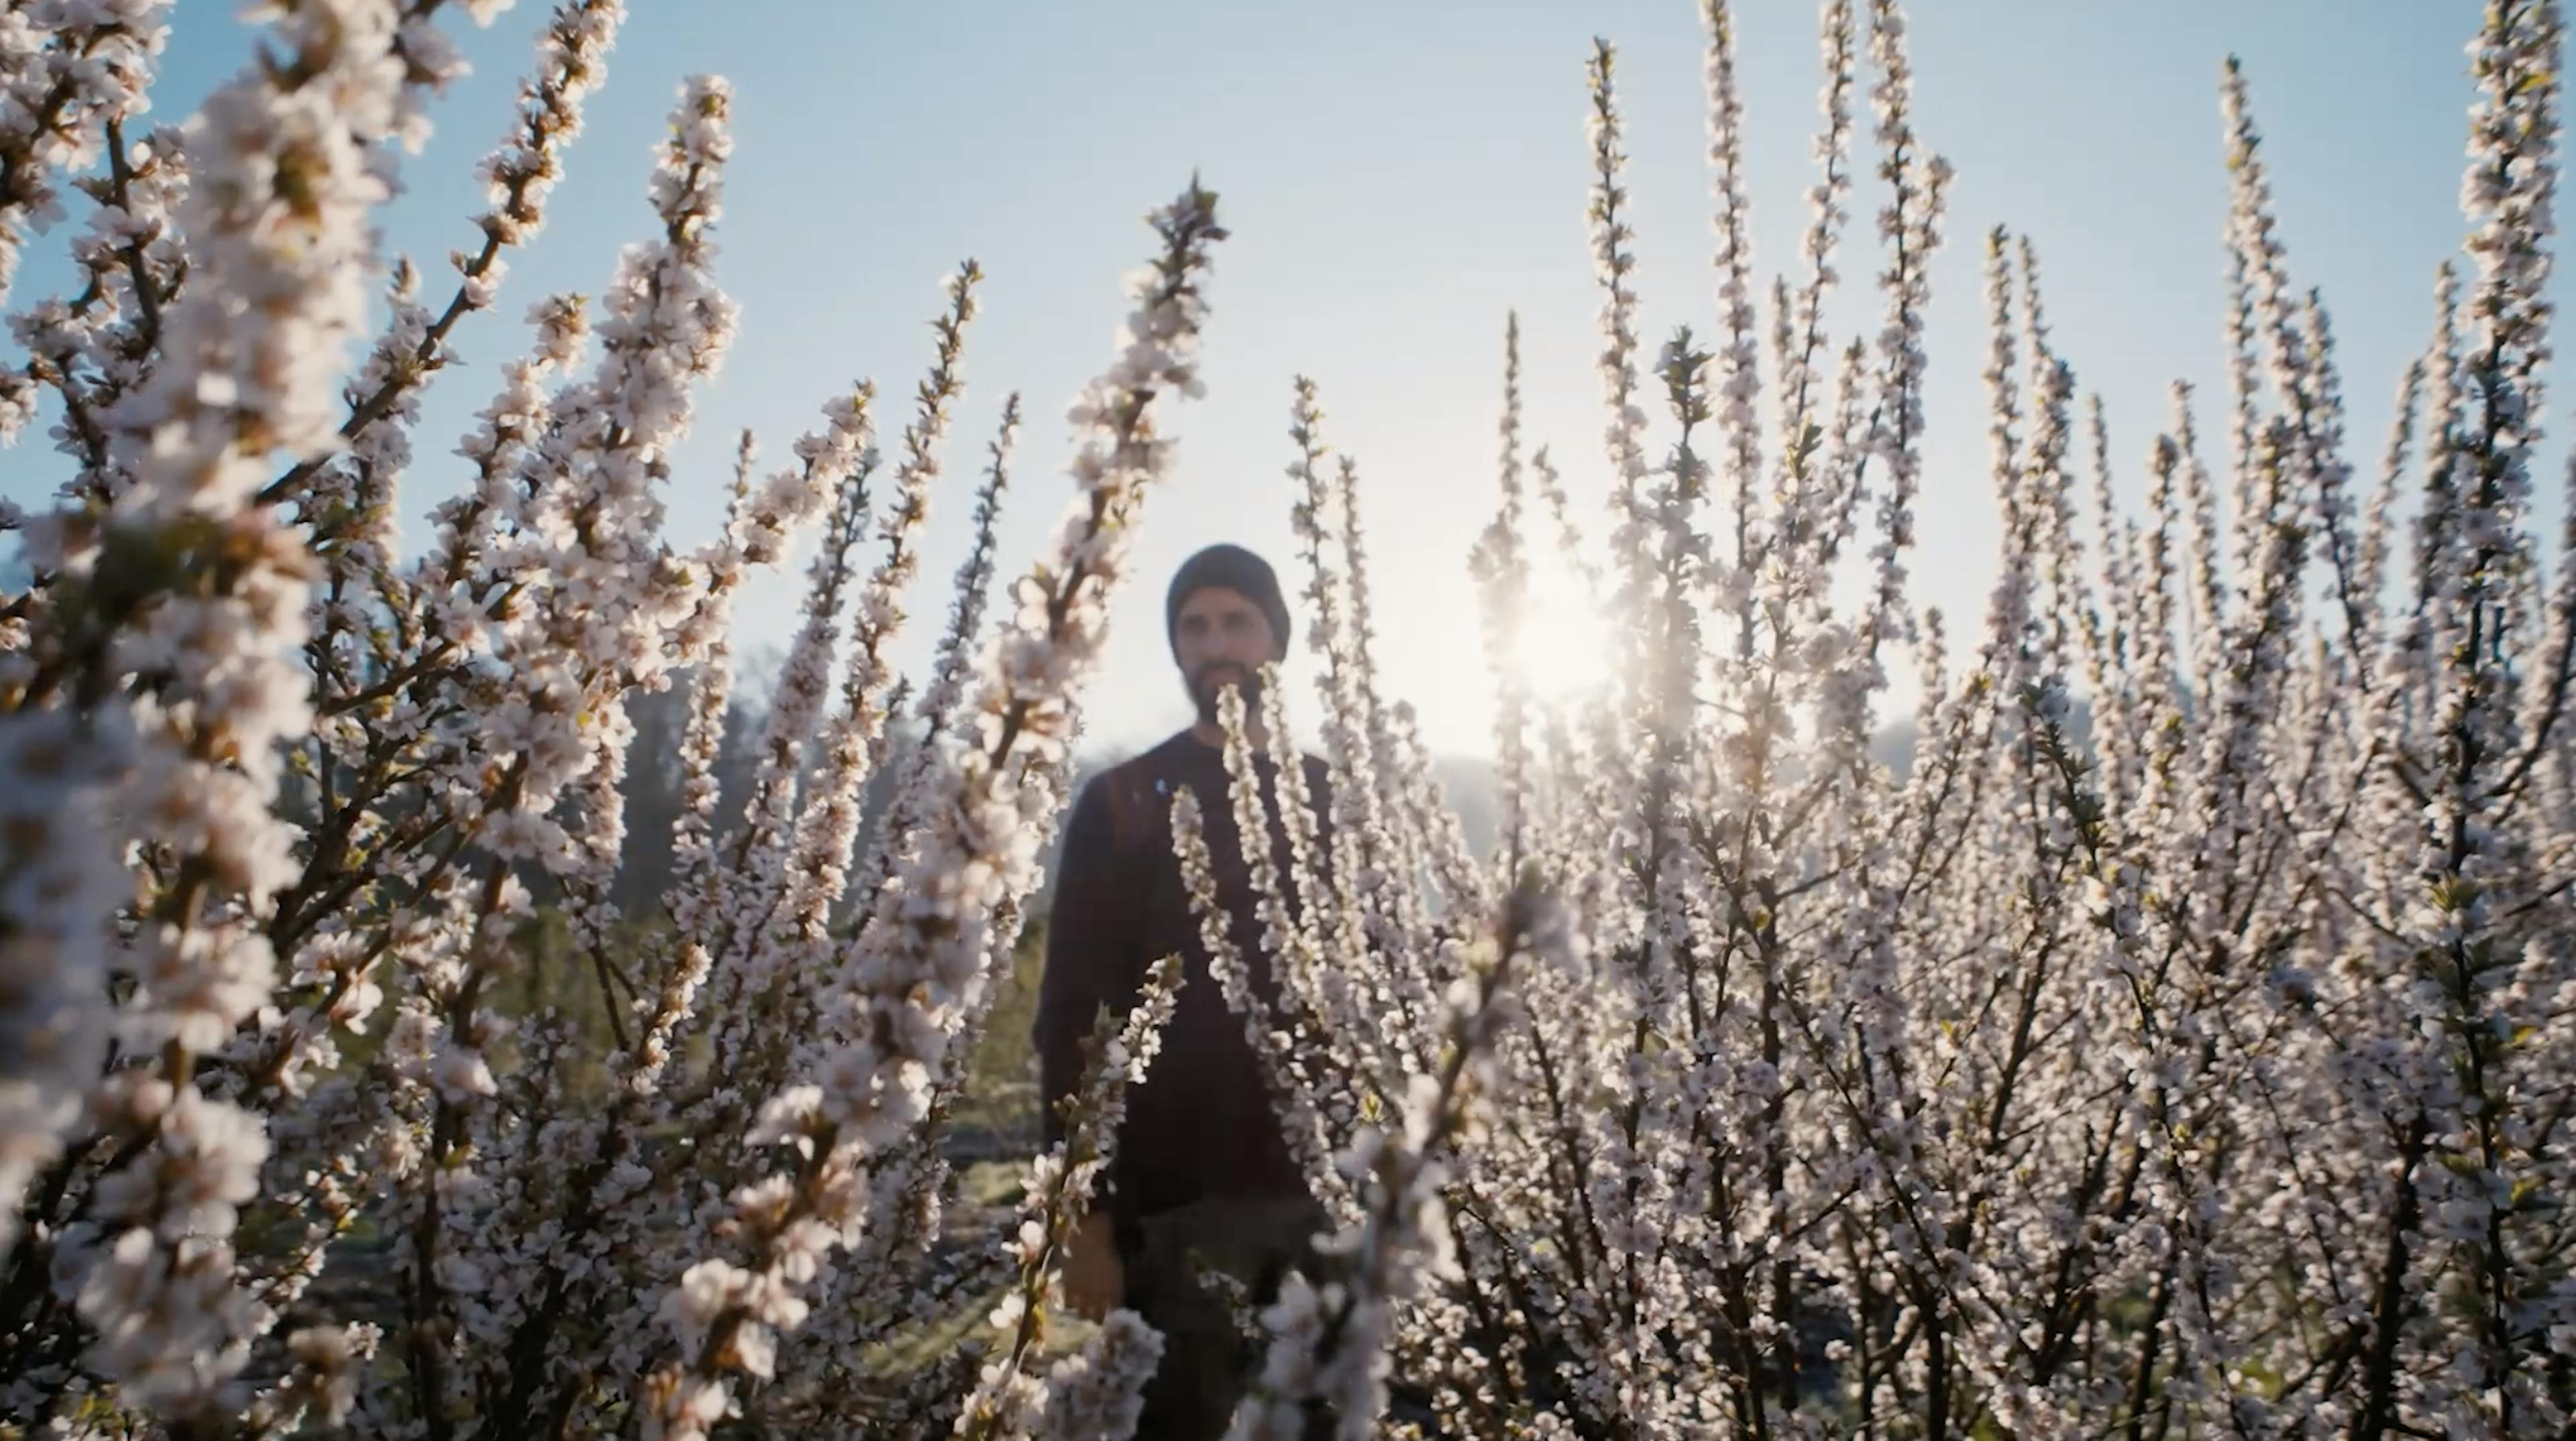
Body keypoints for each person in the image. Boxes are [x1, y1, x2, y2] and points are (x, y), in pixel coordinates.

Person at [1033, 542, 1334, 1441]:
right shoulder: (1122, 801)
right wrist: (1084, 1217)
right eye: (1194, 627)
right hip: (1175, 1205)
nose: (1216, 645)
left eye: (1238, 622)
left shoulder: (1336, 800)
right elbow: (1071, 1017)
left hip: (1322, 1196)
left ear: (1277, 638)